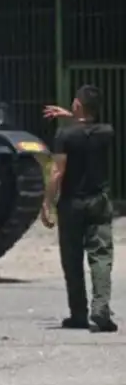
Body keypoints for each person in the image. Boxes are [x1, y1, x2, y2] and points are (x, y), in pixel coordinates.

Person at [41, 84, 118, 332]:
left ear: (76, 106)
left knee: (72, 259)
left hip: (71, 203)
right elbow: (88, 128)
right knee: (101, 257)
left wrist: (47, 203)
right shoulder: (107, 132)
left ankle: (78, 313)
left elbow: (56, 172)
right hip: (98, 202)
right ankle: (101, 308)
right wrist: (72, 115)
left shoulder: (64, 136)